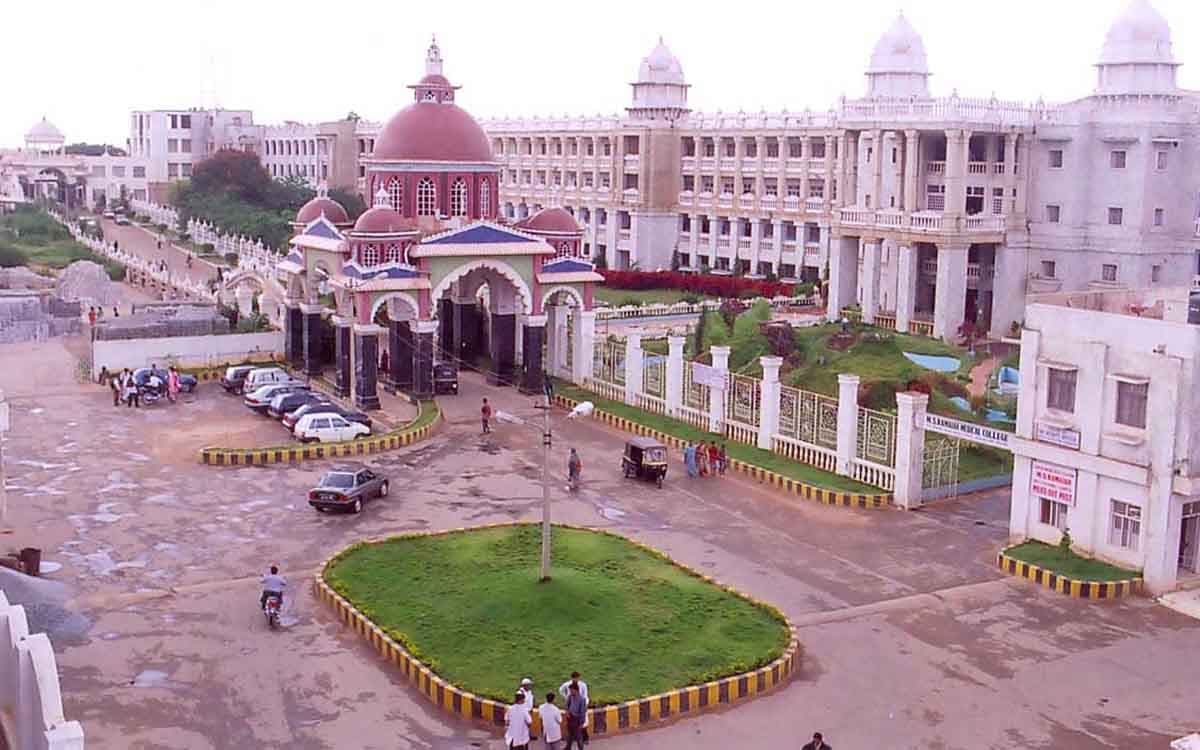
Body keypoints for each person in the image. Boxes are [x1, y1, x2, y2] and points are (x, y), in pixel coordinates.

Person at [558, 673, 590, 742]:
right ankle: (573, 738)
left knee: (583, 722)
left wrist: (585, 704)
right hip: (572, 704)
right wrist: (565, 697)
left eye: (577, 678)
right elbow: (561, 690)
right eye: (574, 678)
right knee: (572, 722)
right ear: (572, 678)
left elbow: (585, 695)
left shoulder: (583, 685)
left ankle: (585, 738)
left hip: (581, 704)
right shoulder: (567, 685)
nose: (576, 679)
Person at [564, 682, 587, 750]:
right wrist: (567, 712)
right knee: (569, 735)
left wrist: (581, 723)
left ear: (576, 690)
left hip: (577, 720)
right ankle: (568, 747)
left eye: (571, 690)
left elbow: (583, 712)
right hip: (570, 718)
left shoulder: (582, 699)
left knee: (578, 737)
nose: (570, 692)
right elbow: (567, 706)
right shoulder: (570, 697)